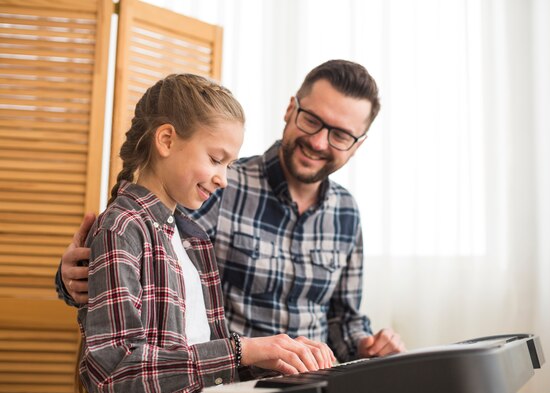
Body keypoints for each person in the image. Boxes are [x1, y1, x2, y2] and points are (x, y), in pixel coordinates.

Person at [58, 60, 405, 364]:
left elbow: (344, 319)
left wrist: (367, 345)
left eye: (340, 135)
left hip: (310, 387)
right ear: (290, 109)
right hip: (227, 387)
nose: (318, 142)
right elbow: (138, 259)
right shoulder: (210, 186)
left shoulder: (346, 213)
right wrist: (70, 279)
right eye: (312, 120)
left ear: (357, 145)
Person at [74, 74, 334, 393]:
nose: (224, 178)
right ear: (166, 140)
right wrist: (243, 350)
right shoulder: (122, 228)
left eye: (228, 164)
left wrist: (278, 358)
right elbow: (116, 373)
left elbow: (199, 364)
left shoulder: (191, 238)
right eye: (216, 159)